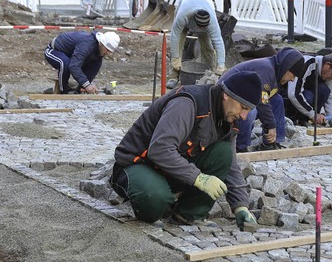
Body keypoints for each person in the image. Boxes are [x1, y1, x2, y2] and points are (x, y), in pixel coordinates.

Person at [110, 71, 262, 229]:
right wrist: (199, 178)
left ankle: (188, 214)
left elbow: (230, 164)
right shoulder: (187, 104)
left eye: (248, 111)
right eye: (243, 108)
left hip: (166, 168)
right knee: (155, 198)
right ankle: (155, 201)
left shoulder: (227, 119)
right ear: (226, 95)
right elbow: (160, 149)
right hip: (136, 164)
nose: (244, 116)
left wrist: (240, 205)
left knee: (223, 153)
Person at [219, 47, 305, 152]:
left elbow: (267, 98)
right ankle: (240, 147)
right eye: (293, 75)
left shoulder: (274, 71)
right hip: (228, 98)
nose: (292, 79)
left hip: (244, 97)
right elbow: (262, 101)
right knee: (250, 112)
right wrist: (271, 125)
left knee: (277, 100)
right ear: (286, 67)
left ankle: (272, 142)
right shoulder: (266, 69)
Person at [166, 0, 226, 89]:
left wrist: (221, 65)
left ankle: (210, 75)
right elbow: (175, 36)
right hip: (186, 4)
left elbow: (218, 42)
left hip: (205, 4)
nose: (199, 30)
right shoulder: (183, 16)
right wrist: (175, 59)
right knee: (178, 45)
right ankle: (173, 76)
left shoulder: (212, 23)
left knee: (207, 47)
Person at [44, 31, 120, 94]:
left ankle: (79, 90)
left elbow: (89, 69)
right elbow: (74, 66)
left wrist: (85, 86)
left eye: (110, 51)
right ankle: (63, 90)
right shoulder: (87, 44)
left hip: (71, 55)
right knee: (65, 63)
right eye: (107, 50)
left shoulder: (99, 50)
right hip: (54, 51)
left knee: (96, 63)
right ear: (101, 43)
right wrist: (87, 85)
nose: (108, 53)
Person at [282, 52, 332, 126]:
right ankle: (292, 119)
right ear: (327, 65)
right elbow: (293, 94)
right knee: (308, 96)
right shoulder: (306, 63)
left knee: (324, 90)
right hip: (286, 98)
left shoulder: (327, 75)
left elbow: (330, 96)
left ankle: (305, 120)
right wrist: (313, 114)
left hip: (304, 104)